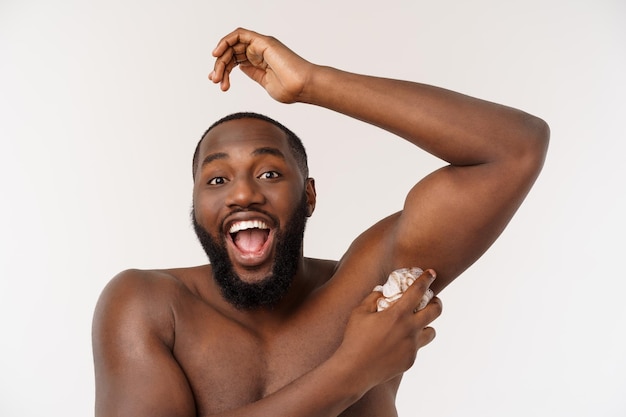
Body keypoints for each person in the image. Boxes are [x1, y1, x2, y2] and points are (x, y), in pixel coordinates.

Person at [92, 28, 549, 417]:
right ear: (196, 205)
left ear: (308, 196)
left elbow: (514, 150)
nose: (244, 193)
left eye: (270, 173)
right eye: (216, 179)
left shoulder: (369, 287)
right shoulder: (148, 305)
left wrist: (311, 83)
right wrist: (350, 373)